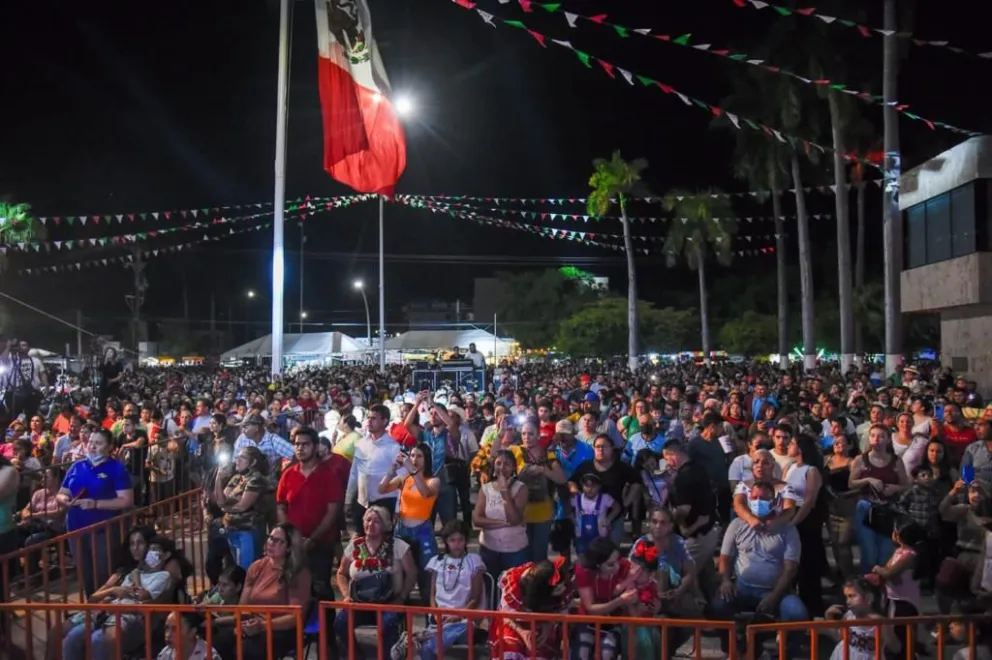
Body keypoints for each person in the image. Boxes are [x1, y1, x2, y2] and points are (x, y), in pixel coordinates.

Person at [709, 481, 808, 654]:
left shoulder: (787, 529)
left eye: (763, 498)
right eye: (754, 497)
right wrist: (725, 580)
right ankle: (731, 646)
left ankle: (785, 653)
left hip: (776, 592)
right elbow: (725, 558)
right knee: (717, 606)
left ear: (773, 500)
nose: (758, 501)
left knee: (797, 613)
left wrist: (774, 596)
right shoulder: (737, 525)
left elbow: (791, 568)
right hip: (741, 589)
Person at [61, 535, 180, 660]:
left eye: (155, 550)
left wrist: (135, 581)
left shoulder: (162, 575)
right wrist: (114, 593)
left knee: (98, 641)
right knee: (73, 637)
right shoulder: (133, 572)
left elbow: (141, 596)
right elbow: (112, 595)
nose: (150, 553)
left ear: (166, 555)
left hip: (128, 614)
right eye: (150, 549)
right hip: (108, 610)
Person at [213, 523, 312, 660]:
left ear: (289, 547)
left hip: (281, 629)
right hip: (254, 624)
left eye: (277, 541)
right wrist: (246, 624)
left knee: (248, 650)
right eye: (270, 538)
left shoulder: (299, 573)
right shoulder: (256, 567)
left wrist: (262, 626)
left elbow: (295, 617)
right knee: (219, 641)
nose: (271, 543)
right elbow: (243, 608)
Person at [56, 429, 134, 595]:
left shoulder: (116, 468)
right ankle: (91, 605)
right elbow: (62, 492)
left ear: (110, 447)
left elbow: (126, 500)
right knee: (84, 571)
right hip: (75, 527)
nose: (92, 446)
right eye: (91, 442)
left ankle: (107, 607)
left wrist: (96, 503)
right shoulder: (77, 466)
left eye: (98, 443)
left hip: (102, 529)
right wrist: (64, 500)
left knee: (103, 570)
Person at [276, 426, 347, 604]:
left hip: (321, 543)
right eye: (297, 444)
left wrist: (312, 539)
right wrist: (291, 536)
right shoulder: (288, 475)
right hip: (293, 545)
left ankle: (326, 631)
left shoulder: (329, 475)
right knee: (293, 588)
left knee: (321, 589)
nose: (300, 448)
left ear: (315, 447)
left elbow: (332, 512)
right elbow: (281, 507)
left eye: (305, 444)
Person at [334, 506, 417, 658]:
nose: (371, 524)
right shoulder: (355, 545)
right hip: (359, 602)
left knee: (388, 624)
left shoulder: (398, 545)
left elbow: (411, 574)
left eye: (377, 521)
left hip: (389, 602)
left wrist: (402, 597)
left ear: (386, 525)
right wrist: (346, 594)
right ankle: (357, 656)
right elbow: (341, 573)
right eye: (368, 520)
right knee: (340, 622)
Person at [417, 521, 486, 659]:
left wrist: (458, 616)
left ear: (465, 541)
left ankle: (430, 640)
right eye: (452, 540)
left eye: (460, 540)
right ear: (446, 542)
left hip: (464, 620)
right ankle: (433, 637)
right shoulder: (437, 561)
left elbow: (475, 598)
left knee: (431, 646)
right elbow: (433, 595)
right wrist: (435, 613)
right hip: (440, 620)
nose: (457, 544)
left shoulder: (474, 560)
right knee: (439, 639)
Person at [490, 557, 573, 660]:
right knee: (510, 649)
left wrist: (548, 626)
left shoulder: (563, 584)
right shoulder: (513, 583)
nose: (563, 589)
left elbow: (561, 614)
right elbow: (505, 616)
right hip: (512, 625)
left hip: (542, 627)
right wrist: (522, 632)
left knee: (538, 653)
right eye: (558, 589)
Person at [473, 449, 529, 578]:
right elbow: (477, 520)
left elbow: (514, 519)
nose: (502, 467)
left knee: (512, 590)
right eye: (498, 463)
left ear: (513, 468)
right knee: (490, 588)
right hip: (489, 548)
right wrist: (503, 523)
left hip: (514, 550)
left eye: (507, 464)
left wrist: (504, 491)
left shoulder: (521, 488)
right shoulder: (486, 488)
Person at [214, 445, 271, 569]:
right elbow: (220, 500)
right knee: (238, 570)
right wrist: (218, 479)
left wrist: (225, 507)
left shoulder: (256, 479)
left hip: (248, 530)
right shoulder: (237, 478)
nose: (237, 461)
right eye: (237, 457)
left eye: (242, 458)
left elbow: (242, 506)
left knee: (247, 569)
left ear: (253, 462)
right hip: (232, 529)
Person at [823, 577, 899, 660]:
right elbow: (838, 637)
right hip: (844, 655)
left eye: (852, 596)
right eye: (846, 597)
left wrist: (884, 625)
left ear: (869, 598)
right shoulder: (849, 616)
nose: (848, 601)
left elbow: (896, 648)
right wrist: (829, 617)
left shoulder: (878, 621)